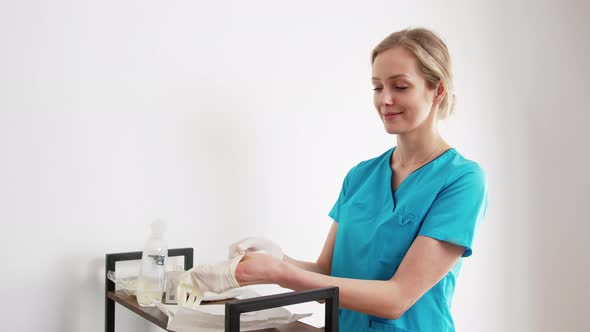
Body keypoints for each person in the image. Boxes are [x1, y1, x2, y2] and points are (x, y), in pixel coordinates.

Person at [186, 27, 488, 332]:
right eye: (377, 87)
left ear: (437, 90)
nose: (385, 99)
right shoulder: (361, 176)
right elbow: (327, 274)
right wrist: (280, 259)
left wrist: (278, 272)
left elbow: (397, 298)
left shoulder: (461, 180)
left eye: (400, 86)